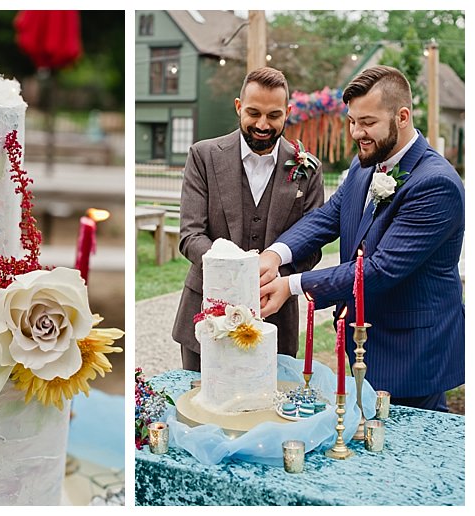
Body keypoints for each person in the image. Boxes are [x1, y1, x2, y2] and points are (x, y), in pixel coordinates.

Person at [259, 65, 465, 412]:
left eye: (367, 122)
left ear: (402, 116)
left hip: (411, 354)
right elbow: (328, 216)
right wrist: (276, 254)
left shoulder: (436, 184)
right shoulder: (365, 164)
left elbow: (380, 270)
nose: (356, 132)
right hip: (360, 345)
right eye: (353, 121)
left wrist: (292, 285)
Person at [172, 67, 326, 371]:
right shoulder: (203, 156)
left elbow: (313, 244)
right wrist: (238, 271)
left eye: (273, 115)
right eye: (254, 113)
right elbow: (190, 236)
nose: (262, 124)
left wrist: (275, 277)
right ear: (239, 107)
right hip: (206, 313)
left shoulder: (308, 168)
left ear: (288, 113)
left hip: (275, 320)